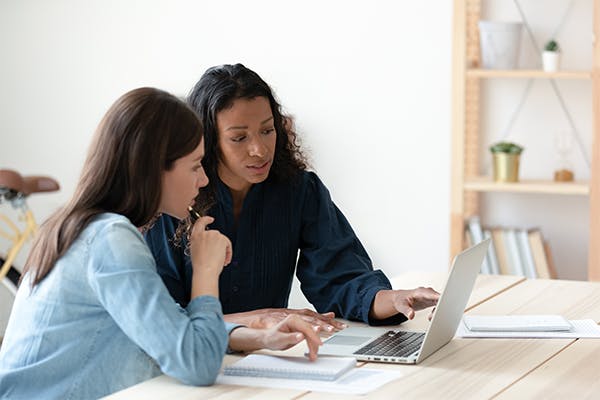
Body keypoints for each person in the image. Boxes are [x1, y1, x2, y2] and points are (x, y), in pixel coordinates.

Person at [0, 87, 321, 399]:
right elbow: (197, 365)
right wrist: (206, 272)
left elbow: (168, 331)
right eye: (195, 165)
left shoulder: (88, 227)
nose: (205, 179)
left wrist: (258, 337)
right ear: (154, 169)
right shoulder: (110, 239)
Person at [144, 64, 440, 332]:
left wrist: (396, 298)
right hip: (187, 368)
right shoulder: (172, 203)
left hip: (270, 358)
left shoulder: (299, 190)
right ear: (206, 140)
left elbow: (340, 278)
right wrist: (258, 318)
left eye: (267, 130)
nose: (259, 149)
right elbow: (163, 321)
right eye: (239, 138)